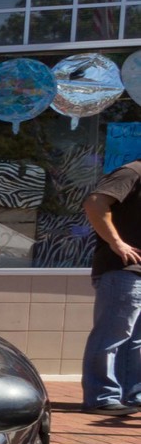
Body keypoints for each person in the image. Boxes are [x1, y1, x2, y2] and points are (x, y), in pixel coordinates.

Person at [80, 156, 141, 412]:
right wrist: (117, 243)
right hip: (122, 271)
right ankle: (102, 396)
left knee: (135, 340)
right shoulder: (132, 172)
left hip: (135, 272)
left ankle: (132, 395)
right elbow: (95, 202)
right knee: (112, 335)